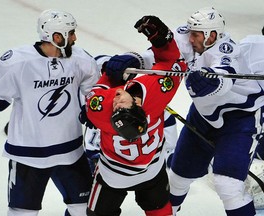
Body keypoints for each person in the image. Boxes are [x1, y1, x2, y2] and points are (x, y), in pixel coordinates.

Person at [0, 9, 100, 216]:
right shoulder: (18, 62)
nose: (75, 38)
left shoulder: (81, 60)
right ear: (56, 37)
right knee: (21, 213)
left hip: (70, 152)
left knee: (85, 210)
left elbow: (95, 98)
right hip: (28, 156)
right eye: (71, 33)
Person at [145, 7, 264, 216]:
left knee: (228, 185)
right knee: (177, 178)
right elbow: (156, 58)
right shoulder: (186, 35)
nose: (191, 39)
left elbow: (224, 75)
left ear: (212, 36)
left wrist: (211, 79)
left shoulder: (227, 49)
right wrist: (134, 59)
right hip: (202, 116)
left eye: (196, 35)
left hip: (240, 119)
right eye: (191, 33)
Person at [83, 16, 187, 216]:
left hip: (112, 177)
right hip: (152, 172)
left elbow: (97, 91)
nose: (115, 102)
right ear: (139, 104)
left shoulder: (102, 111)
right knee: (160, 211)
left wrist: (110, 73)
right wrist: (161, 39)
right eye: (122, 103)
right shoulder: (155, 95)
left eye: (117, 105)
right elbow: (175, 63)